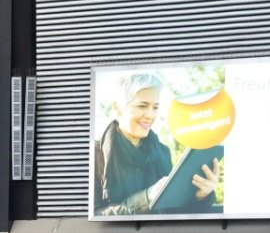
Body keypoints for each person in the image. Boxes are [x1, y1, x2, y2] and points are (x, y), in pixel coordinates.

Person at [94, 73, 220, 216]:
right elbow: (91, 219)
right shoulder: (95, 154)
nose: (150, 115)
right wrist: (147, 198)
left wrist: (200, 195)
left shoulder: (162, 152)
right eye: (142, 106)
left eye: (155, 107)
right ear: (117, 108)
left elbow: (173, 212)